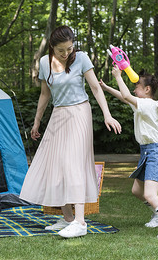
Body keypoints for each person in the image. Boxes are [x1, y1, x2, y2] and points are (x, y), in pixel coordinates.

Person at [20, 26, 122, 238]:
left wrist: (107, 114)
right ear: (52, 48)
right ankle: (67, 218)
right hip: (58, 115)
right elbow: (45, 94)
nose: (66, 54)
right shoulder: (45, 64)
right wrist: (37, 122)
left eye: (69, 48)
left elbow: (95, 88)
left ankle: (80, 222)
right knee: (54, 165)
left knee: (73, 164)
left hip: (79, 113)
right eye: (61, 50)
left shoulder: (82, 58)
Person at [100, 66, 158, 239]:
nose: (134, 88)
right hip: (147, 152)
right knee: (137, 191)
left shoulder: (148, 105)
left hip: (155, 152)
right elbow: (125, 98)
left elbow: (126, 96)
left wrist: (118, 76)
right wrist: (107, 88)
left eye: (137, 85)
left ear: (147, 89)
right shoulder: (143, 104)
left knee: (150, 194)